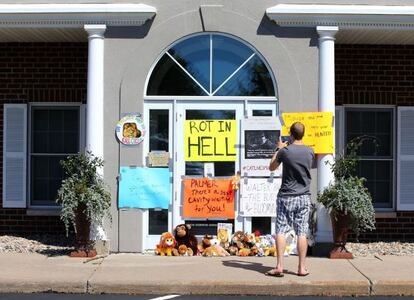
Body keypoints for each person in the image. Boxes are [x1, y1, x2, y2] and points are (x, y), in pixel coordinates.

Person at [266, 122, 315, 277]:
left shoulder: (285, 151)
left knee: (280, 230)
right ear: (303, 134)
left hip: (286, 196)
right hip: (303, 196)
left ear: (291, 134)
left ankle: (279, 266)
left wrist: (279, 148)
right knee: (302, 232)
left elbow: (271, 167)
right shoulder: (310, 151)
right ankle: (301, 268)